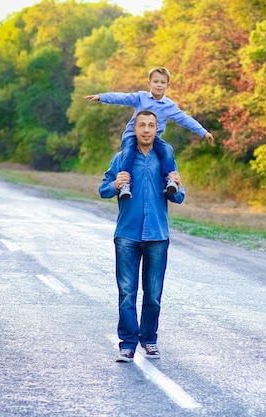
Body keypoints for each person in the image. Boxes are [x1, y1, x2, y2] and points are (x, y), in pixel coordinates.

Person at [98, 110, 185, 362]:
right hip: (127, 235)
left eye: (151, 125)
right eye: (142, 125)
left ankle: (149, 340)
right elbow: (102, 189)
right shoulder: (122, 159)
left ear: (157, 130)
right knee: (127, 292)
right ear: (134, 130)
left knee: (153, 294)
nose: (146, 130)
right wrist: (114, 185)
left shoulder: (165, 159)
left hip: (157, 235)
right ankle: (127, 344)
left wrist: (177, 186)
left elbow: (179, 197)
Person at [86, 66, 213, 199]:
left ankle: (170, 180)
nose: (159, 85)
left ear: (168, 85)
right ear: (149, 83)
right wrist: (101, 97)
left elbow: (185, 119)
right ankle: (125, 184)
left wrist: (203, 132)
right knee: (128, 153)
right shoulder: (141, 98)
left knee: (167, 150)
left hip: (154, 138)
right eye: (156, 82)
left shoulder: (169, 106)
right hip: (132, 135)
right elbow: (121, 97)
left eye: (162, 82)